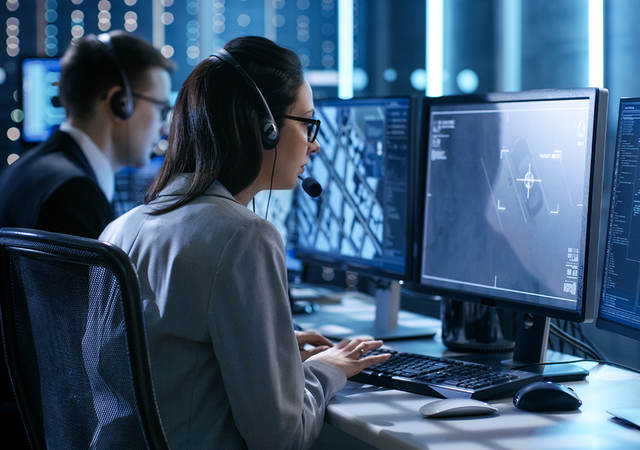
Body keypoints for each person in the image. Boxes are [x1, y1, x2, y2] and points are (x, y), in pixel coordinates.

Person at [99, 36, 390, 449]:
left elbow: (165, 355)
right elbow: (281, 436)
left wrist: (270, 348)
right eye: (306, 123)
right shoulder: (243, 236)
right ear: (265, 129)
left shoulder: (120, 229)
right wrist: (328, 369)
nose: (315, 142)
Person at [0, 30, 174, 238]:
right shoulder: (74, 195)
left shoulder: (28, 169)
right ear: (121, 103)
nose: (164, 128)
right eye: (161, 109)